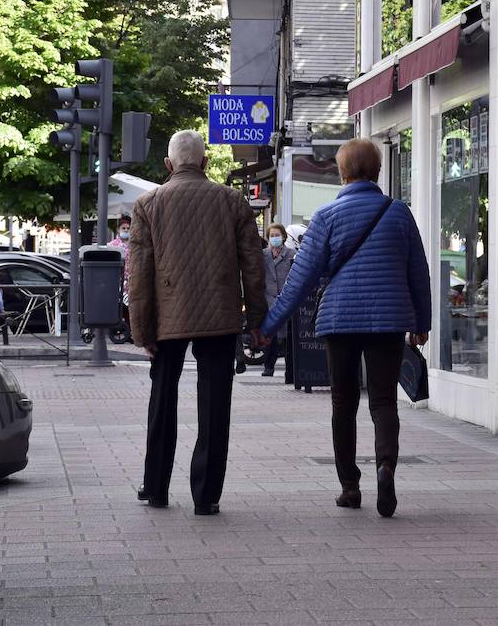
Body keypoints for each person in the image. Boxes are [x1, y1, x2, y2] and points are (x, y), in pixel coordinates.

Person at [255, 138, 431, 517]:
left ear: (342, 172)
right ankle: (385, 465)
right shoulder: (399, 214)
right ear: (378, 172)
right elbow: (418, 271)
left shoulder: (326, 217)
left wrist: (268, 325)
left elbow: (299, 281)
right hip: (389, 321)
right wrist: (422, 322)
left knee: (343, 403)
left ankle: (350, 486)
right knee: (384, 400)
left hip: (340, 320)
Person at [129, 130, 267, 515]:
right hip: (220, 316)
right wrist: (256, 318)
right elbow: (252, 266)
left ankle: (156, 487)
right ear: (206, 163)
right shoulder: (232, 201)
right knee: (214, 405)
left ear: (168, 165)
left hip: (166, 318)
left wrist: (142, 329)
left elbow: (138, 275)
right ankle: (206, 496)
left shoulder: (148, 204)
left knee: (162, 402)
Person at [260, 224, 296, 377]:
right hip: (268, 301)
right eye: (272, 236)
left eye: (277, 235)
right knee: (270, 336)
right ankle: (269, 367)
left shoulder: (292, 254)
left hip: (286, 301)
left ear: (283, 237)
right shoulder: (263, 255)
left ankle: (291, 371)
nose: (275, 238)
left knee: (288, 338)